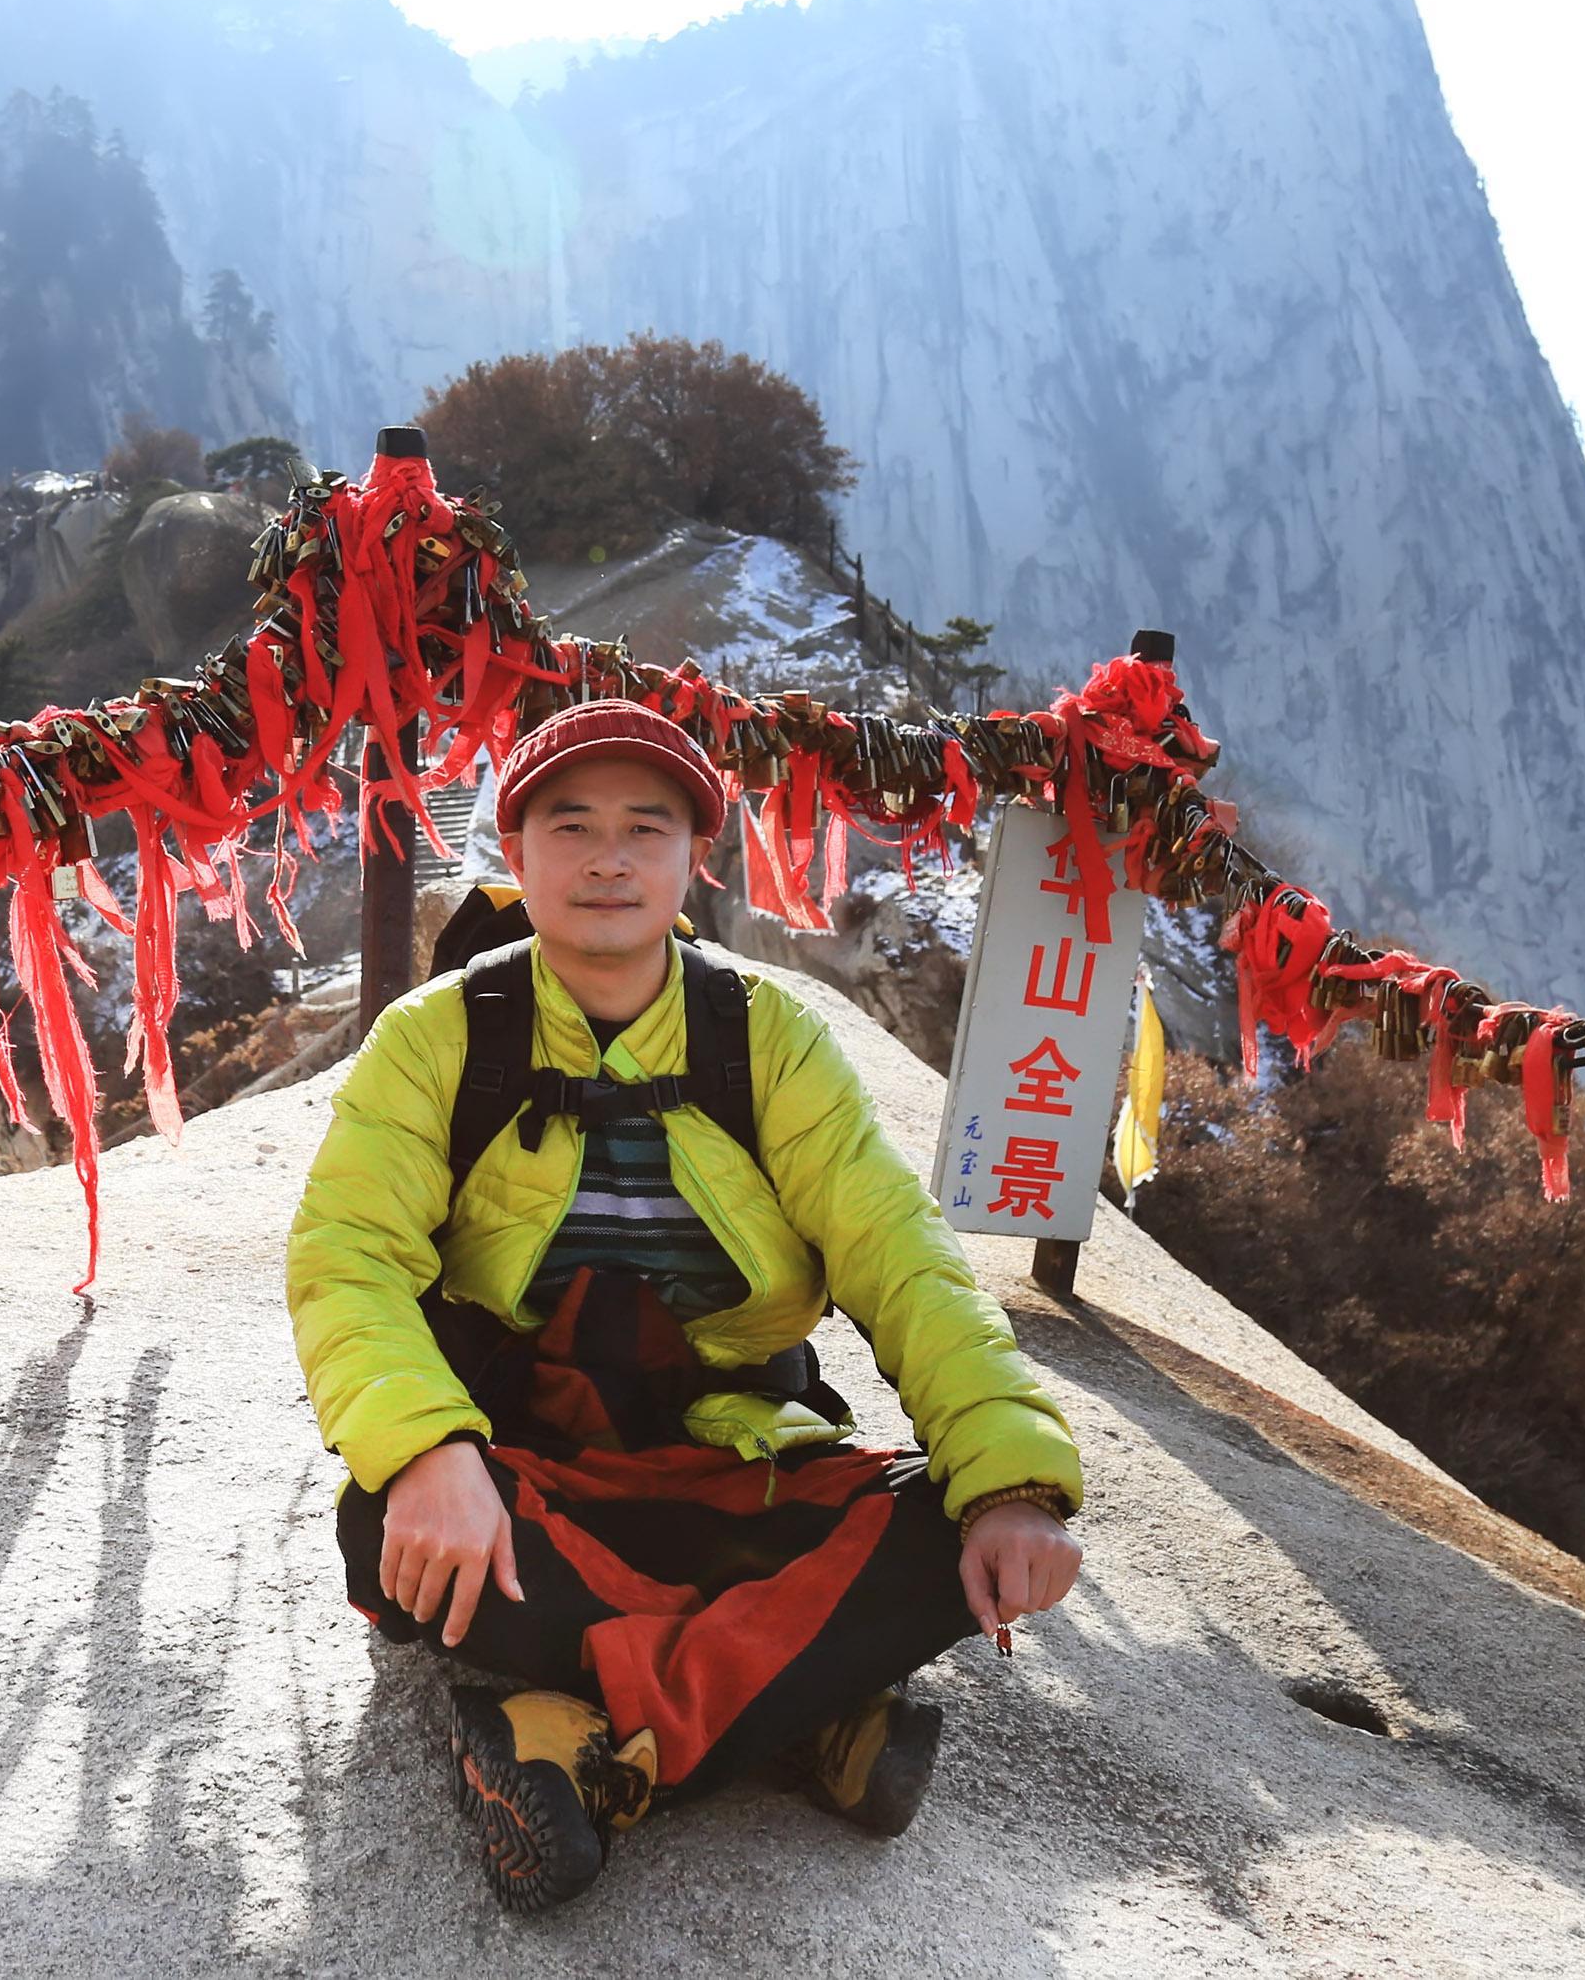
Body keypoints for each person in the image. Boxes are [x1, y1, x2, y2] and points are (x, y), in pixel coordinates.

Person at [284, 697, 1086, 1913]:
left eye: (645, 828)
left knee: (953, 1534)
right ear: (517, 851)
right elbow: (347, 1256)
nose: (608, 856)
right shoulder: (439, 1040)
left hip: (732, 1461)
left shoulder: (770, 1042)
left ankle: (586, 1744)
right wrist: (432, 1452)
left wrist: (1013, 1485)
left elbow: (900, 1259)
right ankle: (797, 1704)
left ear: (690, 859)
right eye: (571, 824)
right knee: (381, 1526)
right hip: (528, 1474)